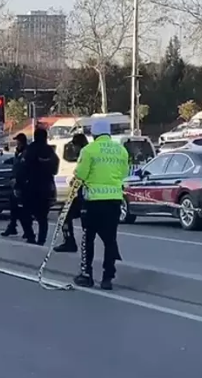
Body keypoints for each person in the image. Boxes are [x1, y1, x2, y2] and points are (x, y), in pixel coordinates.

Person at [73, 120, 128, 290]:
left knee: (88, 239)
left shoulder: (88, 150)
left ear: (94, 134)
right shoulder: (121, 150)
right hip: (114, 201)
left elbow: (80, 174)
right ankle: (107, 277)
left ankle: (87, 274)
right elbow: (124, 172)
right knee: (110, 240)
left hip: (92, 202)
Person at [19, 128, 59, 245]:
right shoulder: (50, 151)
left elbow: (22, 168)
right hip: (45, 187)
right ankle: (41, 240)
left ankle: (31, 236)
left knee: (25, 214)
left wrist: (20, 183)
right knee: (42, 217)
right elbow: (55, 169)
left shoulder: (30, 150)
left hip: (30, 187)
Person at [54, 133, 89, 253]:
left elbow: (82, 175)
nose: (72, 149)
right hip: (85, 194)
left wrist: (75, 181)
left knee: (64, 215)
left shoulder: (85, 154)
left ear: (78, 145)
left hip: (86, 195)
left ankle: (70, 242)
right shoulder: (86, 153)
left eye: (74, 145)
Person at [1, 133, 34, 239]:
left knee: (23, 209)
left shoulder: (26, 153)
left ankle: (28, 232)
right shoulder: (18, 152)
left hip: (23, 185)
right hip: (15, 184)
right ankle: (12, 226)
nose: (17, 143)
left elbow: (23, 168)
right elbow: (15, 164)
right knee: (14, 207)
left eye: (18, 141)